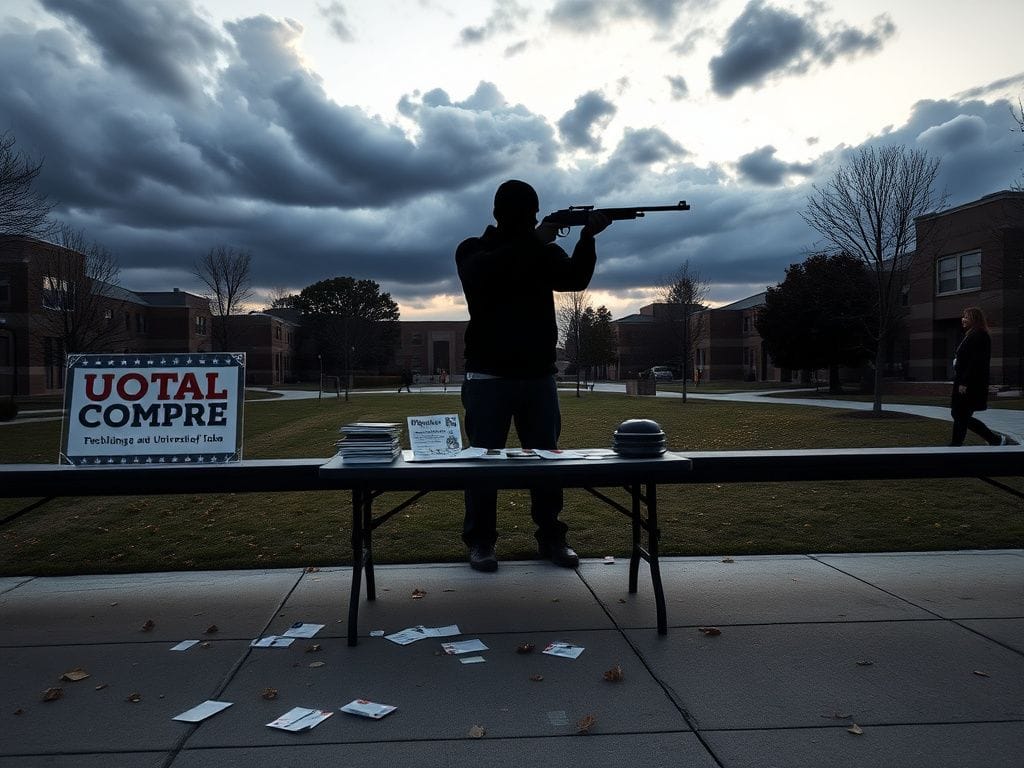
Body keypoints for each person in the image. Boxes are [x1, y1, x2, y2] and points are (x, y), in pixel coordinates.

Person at [456, 179, 610, 572]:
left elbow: (574, 279)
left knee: (547, 464)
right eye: (527, 214)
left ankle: (552, 538)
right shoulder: (475, 250)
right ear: (501, 214)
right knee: (481, 465)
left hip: (537, 376)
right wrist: (537, 239)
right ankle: (481, 542)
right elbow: (489, 273)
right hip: (488, 375)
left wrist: (588, 238)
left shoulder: (541, 248)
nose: (532, 220)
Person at [949, 306, 1010, 446]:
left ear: (974, 319)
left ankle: (994, 439)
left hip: (969, 383)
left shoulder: (979, 335)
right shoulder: (971, 334)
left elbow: (976, 362)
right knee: (960, 414)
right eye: (963, 316)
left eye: (966, 317)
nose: (962, 319)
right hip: (963, 380)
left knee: (959, 414)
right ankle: (957, 444)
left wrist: (964, 382)